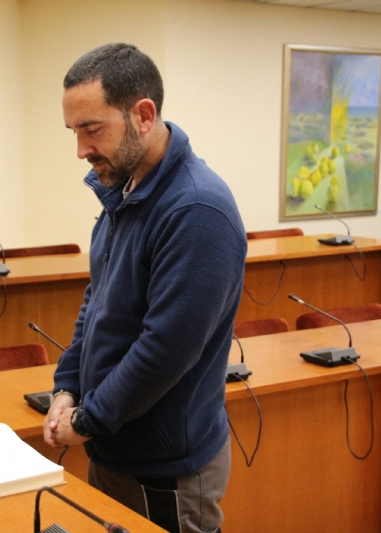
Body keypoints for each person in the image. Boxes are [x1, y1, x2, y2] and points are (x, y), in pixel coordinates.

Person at [42, 43, 246, 533]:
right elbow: (98, 303)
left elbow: (165, 350)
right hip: (114, 443)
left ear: (144, 116)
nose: (81, 150)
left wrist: (88, 420)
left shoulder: (196, 210)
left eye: (93, 130)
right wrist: (68, 387)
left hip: (165, 466)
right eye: (74, 132)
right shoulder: (125, 190)